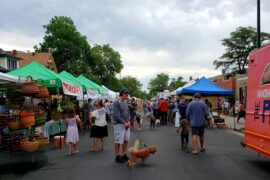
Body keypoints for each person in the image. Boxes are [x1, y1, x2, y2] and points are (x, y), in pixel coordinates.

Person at [112, 88, 131, 163]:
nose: (127, 95)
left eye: (127, 94)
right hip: (119, 124)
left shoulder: (125, 101)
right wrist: (124, 122)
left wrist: (129, 121)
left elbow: (127, 112)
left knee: (126, 140)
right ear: (122, 94)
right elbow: (116, 115)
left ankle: (123, 154)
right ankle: (117, 156)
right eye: (126, 94)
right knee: (118, 141)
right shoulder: (116, 102)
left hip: (126, 124)